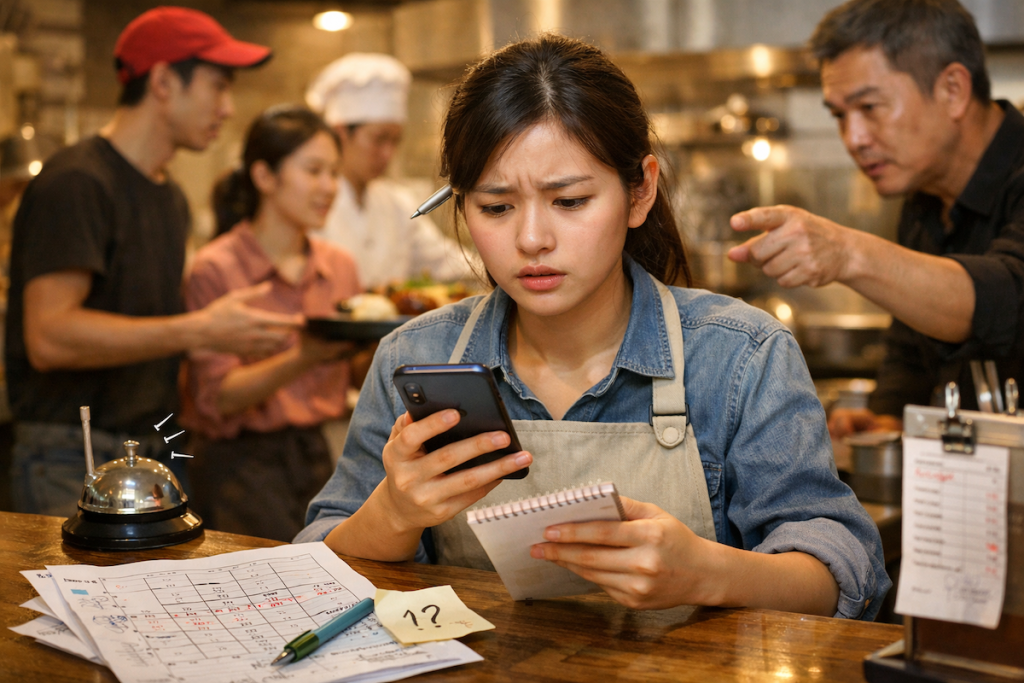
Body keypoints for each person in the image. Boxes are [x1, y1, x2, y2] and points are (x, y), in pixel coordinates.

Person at [297, 35, 889, 620]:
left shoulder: (741, 356)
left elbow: (846, 571)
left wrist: (708, 572)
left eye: (571, 201)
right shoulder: (415, 355)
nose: (531, 239)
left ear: (640, 192)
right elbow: (311, 574)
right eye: (496, 207)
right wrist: (393, 515)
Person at [5, 7, 299, 518]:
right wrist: (200, 329)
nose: (228, 108)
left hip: (155, 447)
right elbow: (49, 336)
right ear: (163, 81)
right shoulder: (77, 181)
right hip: (73, 452)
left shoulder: (171, 197)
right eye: (218, 86)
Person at [726, 0, 1024, 437]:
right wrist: (889, 418)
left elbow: (1007, 300)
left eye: (870, 107)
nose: (855, 138)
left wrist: (848, 252)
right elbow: (911, 348)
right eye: (840, 116)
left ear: (953, 90)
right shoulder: (923, 198)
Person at [180, 106, 361, 542]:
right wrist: (303, 357)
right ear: (264, 176)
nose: (328, 188)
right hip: (239, 467)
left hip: (318, 454)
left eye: (334, 173)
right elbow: (217, 399)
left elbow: (355, 373)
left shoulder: (338, 266)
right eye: (313, 170)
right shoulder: (216, 268)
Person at [304, 52, 471, 289]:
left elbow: (447, 263)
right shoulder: (310, 202)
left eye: (395, 141)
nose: (387, 154)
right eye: (379, 139)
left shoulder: (397, 204)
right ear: (340, 133)